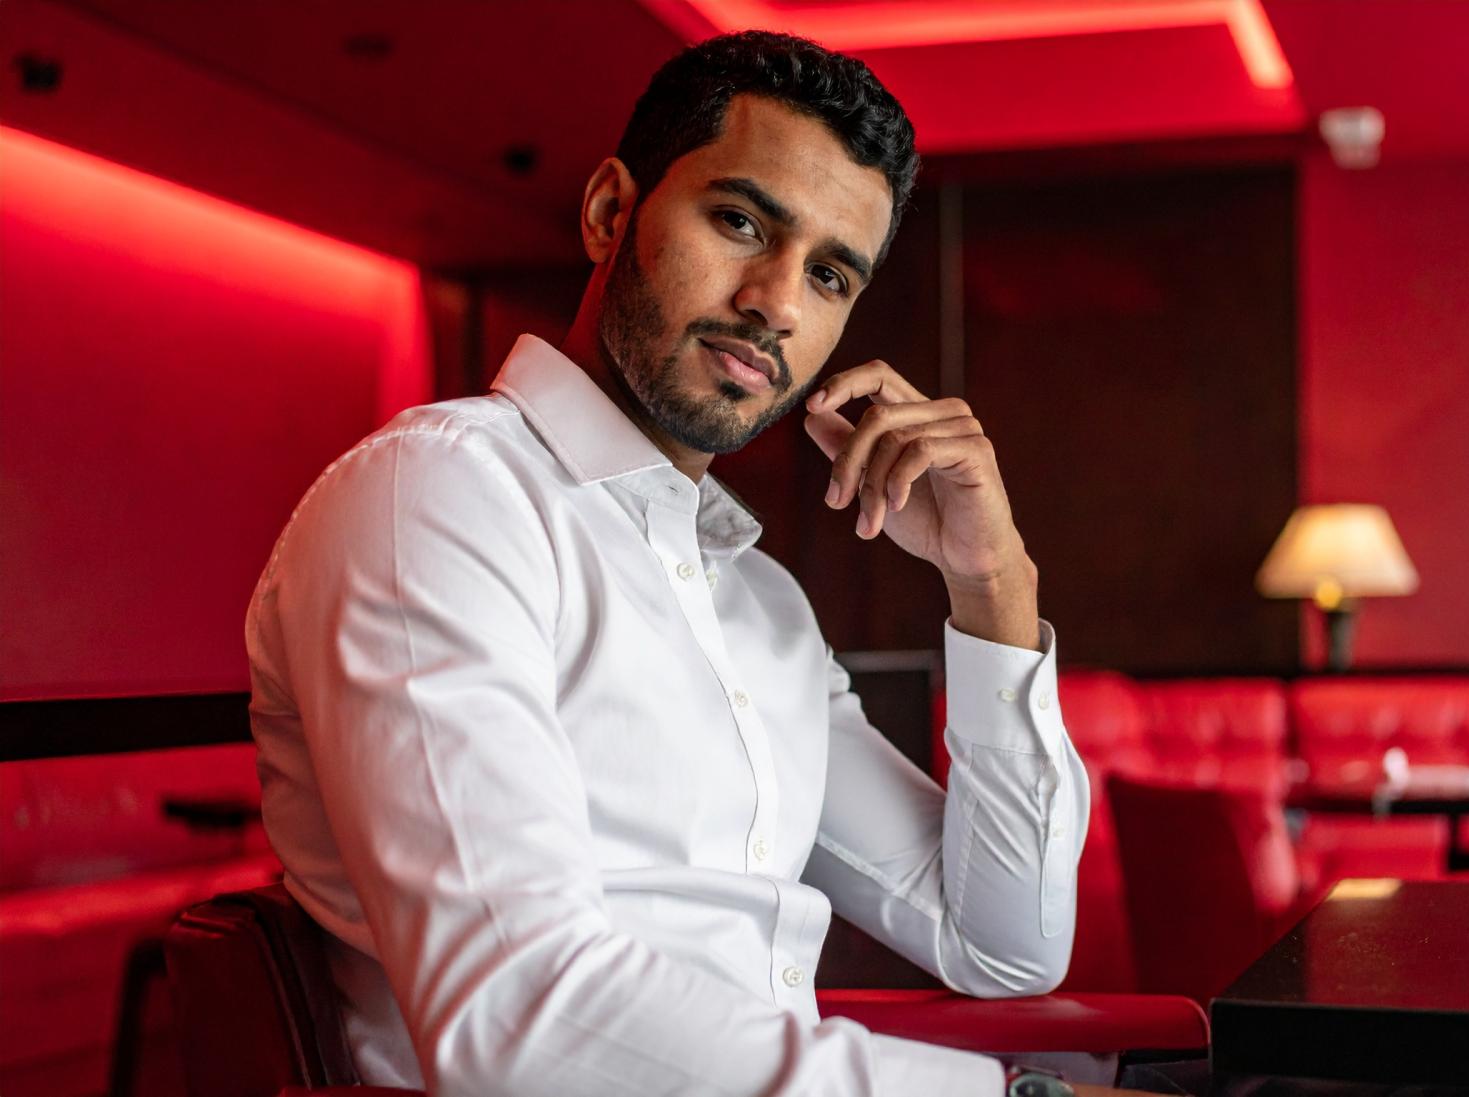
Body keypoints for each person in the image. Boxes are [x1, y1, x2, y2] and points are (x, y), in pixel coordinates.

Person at [245, 29, 1162, 1097]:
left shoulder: (758, 604)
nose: (777, 300)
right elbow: (519, 1020)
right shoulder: (440, 498)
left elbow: (1005, 945)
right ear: (608, 211)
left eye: (828, 274)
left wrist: (993, 581)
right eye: (740, 221)